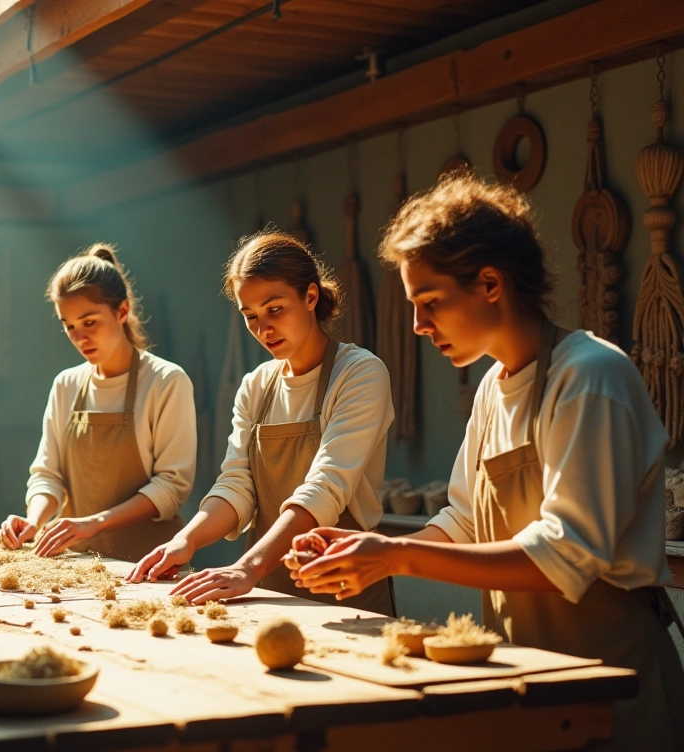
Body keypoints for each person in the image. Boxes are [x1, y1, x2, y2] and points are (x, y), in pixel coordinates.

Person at [290, 173, 684, 750]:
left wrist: (396, 552)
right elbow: (465, 521)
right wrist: (363, 556)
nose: (420, 326)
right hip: (529, 681)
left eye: (430, 303)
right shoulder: (492, 389)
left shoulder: (589, 378)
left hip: (614, 683)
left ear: (490, 283)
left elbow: (565, 555)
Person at [129, 230, 396, 616]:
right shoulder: (256, 386)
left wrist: (246, 566)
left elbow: (324, 488)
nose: (263, 329)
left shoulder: (359, 374)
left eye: (275, 309)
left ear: (310, 296)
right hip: (269, 592)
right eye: (250, 316)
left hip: (346, 594)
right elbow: (236, 486)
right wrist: (185, 541)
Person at [0, 243, 196, 562]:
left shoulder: (166, 382)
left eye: (90, 322)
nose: (80, 338)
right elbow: (48, 474)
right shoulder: (66, 384)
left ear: (122, 311)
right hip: (78, 565)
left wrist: (94, 523)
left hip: (151, 566)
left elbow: (171, 488)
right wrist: (34, 521)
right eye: (70, 327)